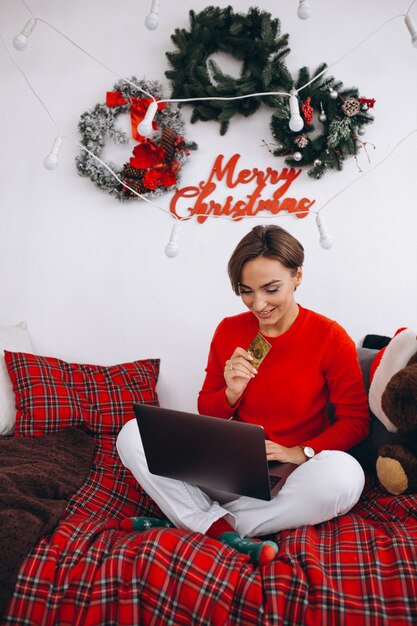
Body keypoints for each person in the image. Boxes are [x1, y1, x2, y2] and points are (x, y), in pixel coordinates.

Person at [117, 225, 370, 566]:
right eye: (246, 291)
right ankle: (219, 528)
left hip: (290, 475)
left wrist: (301, 451)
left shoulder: (330, 338)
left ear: (297, 276)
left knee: (346, 476)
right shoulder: (229, 330)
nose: (259, 304)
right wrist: (231, 393)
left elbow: (355, 422)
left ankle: (197, 525)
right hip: (229, 469)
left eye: (271, 289)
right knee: (132, 433)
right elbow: (207, 412)